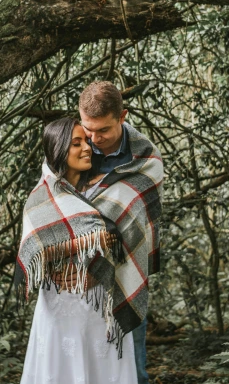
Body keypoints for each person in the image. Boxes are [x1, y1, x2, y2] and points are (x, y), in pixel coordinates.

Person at [18, 118, 138, 384]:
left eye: (86, 141)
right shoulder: (40, 199)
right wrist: (89, 241)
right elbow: (32, 251)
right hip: (61, 305)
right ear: (59, 149)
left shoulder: (103, 189)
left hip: (102, 298)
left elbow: (126, 237)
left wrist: (99, 253)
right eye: (76, 143)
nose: (87, 148)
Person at [78, 81, 160, 384]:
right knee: (82, 364)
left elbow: (130, 218)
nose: (94, 139)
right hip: (75, 272)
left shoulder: (145, 158)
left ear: (122, 116)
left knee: (131, 366)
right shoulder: (73, 143)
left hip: (124, 272)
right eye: (89, 129)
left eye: (103, 131)